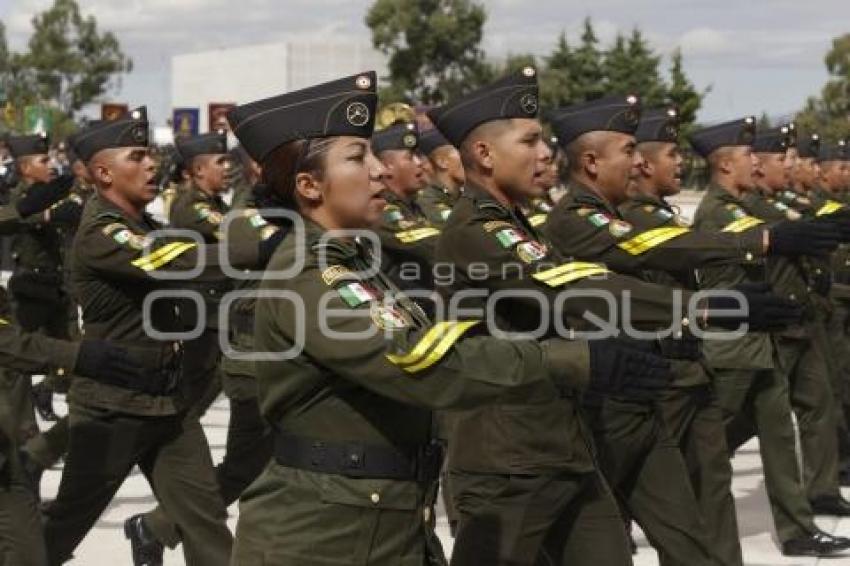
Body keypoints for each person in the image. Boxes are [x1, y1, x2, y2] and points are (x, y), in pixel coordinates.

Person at [224, 70, 675, 566]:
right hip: (318, 541)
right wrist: (574, 361)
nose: (379, 171)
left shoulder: (353, 264)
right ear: (309, 186)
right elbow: (420, 363)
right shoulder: (309, 273)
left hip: (380, 524)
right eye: (358, 157)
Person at [40, 107, 281, 566]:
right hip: (112, 407)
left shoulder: (141, 223)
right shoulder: (102, 232)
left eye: (151, 155)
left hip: (168, 405)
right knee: (65, 524)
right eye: (138, 156)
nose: (152, 164)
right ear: (104, 172)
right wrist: (262, 248)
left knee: (205, 519)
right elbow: (169, 258)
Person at [689, 117, 850, 556]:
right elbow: (776, 235)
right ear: (725, 166)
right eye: (750, 159)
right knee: (711, 435)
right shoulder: (719, 211)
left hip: (766, 337)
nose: (757, 168)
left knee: (779, 432)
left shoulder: (744, 205)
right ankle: (652, 491)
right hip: (735, 343)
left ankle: (798, 529)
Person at [416, 128, 463, 226]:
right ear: (442, 162)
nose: (469, 159)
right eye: (460, 153)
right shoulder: (429, 200)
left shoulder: (467, 195)